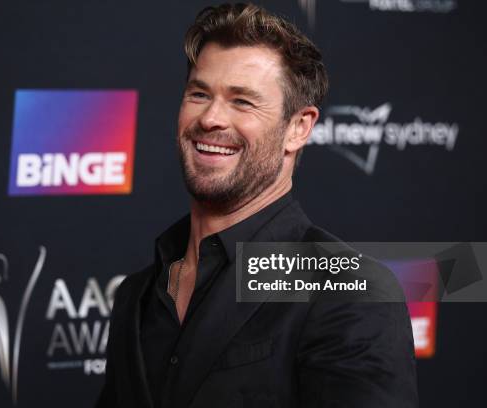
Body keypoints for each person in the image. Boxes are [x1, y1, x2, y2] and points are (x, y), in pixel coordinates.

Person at [96, 3, 418, 407]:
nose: (211, 118)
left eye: (242, 102)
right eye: (199, 93)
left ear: (298, 128)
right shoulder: (137, 294)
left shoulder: (348, 291)